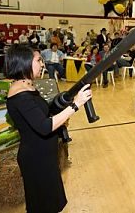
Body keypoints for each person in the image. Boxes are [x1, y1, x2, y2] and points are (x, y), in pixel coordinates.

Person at [5, 44, 92, 213]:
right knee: (42, 205)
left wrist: (62, 111)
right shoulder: (19, 94)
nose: (43, 64)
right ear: (24, 62)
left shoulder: (27, 86)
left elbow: (43, 115)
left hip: (44, 155)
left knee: (51, 203)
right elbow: (44, 127)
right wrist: (75, 105)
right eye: (39, 60)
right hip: (36, 160)